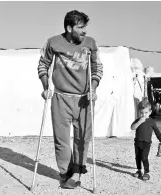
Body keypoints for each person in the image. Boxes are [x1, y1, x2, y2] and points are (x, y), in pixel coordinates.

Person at [37, 10, 103, 188]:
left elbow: (97, 68)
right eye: (80, 28)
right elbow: (43, 64)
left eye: (85, 28)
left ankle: (77, 170)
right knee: (62, 139)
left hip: (84, 99)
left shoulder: (90, 44)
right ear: (69, 27)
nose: (84, 32)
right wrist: (46, 86)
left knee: (83, 138)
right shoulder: (53, 42)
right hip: (60, 97)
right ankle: (66, 174)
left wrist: (94, 88)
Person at [131, 98, 161, 180]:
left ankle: (146, 172)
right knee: (138, 157)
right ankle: (139, 170)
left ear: (150, 112)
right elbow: (132, 127)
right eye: (141, 113)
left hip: (146, 143)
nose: (143, 115)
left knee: (144, 157)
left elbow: (157, 132)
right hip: (137, 142)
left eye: (146, 113)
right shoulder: (137, 120)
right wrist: (139, 121)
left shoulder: (151, 122)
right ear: (139, 112)